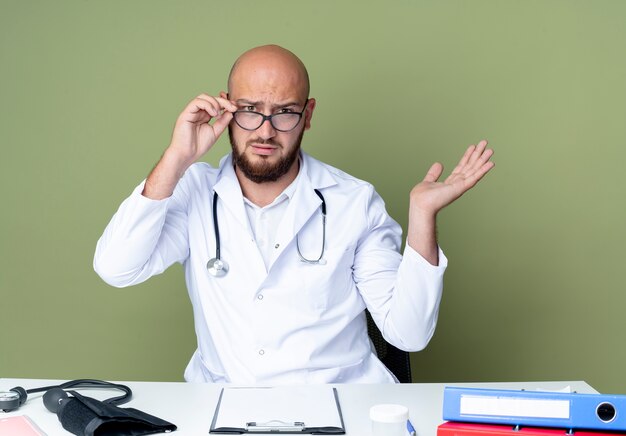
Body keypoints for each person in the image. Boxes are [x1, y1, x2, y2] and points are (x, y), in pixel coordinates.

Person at [94, 44, 494, 384]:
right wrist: (176, 158)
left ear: (308, 114)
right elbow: (117, 268)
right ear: (226, 108)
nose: (265, 131)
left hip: (341, 407)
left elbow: (408, 334)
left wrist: (423, 215)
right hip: (224, 406)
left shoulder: (355, 201)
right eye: (250, 109)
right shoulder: (193, 190)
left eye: (285, 112)